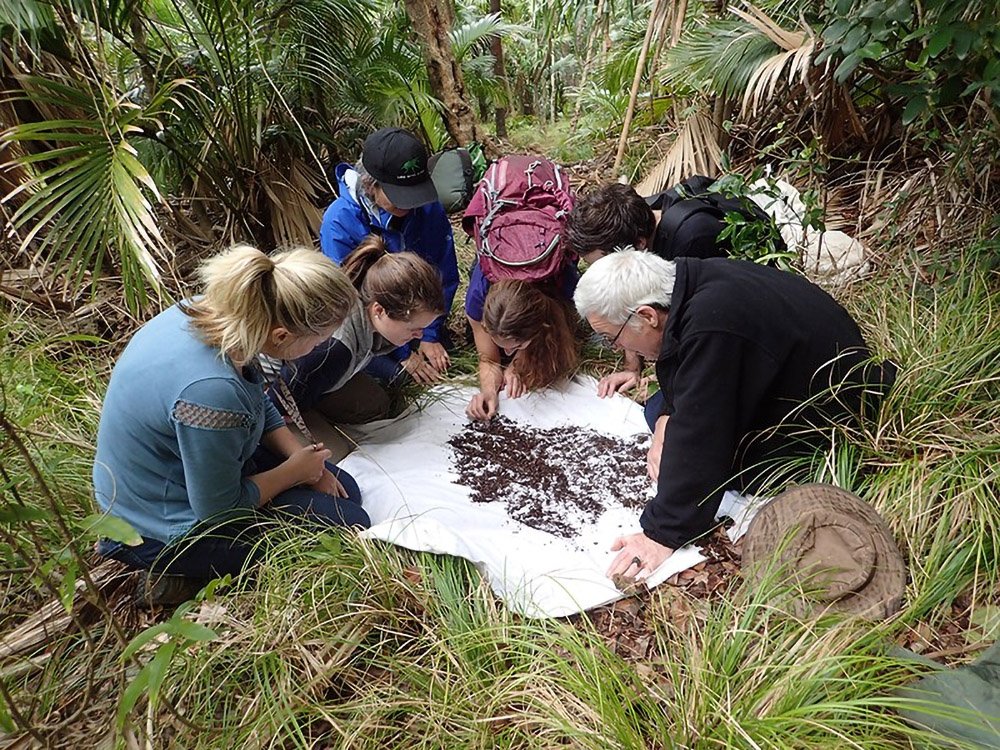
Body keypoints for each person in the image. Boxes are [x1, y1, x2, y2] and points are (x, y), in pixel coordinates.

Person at [573, 249, 894, 583]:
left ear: (647, 315)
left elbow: (703, 436)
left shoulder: (713, 329)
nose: (615, 347)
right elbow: (684, 380)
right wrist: (668, 418)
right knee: (657, 410)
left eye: (613, 337)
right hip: (797, 376)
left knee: (722, 466)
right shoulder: (690, 280)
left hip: (828, 421)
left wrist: (661, 533)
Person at [93, 245, 371, 585]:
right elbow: (218, 510)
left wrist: (298, 456)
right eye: (318, 341)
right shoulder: (210, 393)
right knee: (349, 521)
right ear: (282, 336)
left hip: (191, 468)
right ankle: (172, 577)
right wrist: (294, 473)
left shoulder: (231, 315)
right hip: (156, 527)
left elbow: (256, 401)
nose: (318, 350)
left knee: (344, 489)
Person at [278, 235, 445, 454]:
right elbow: (285, 395)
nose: (418, 335)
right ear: (379, 310)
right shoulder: (336, 348)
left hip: (320, 376)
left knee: (375, 405)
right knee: (336, 455)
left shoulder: (370, 312)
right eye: (412, 328)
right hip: (280, 392)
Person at [319, 127, 458, 385]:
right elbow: (349, 301)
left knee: (447, 363)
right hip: (372, 330)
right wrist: (403, 352)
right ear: (371, 184)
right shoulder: (340, 221)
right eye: (399, 197)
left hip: (419, 318)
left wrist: (429, 335)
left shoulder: (428, 208)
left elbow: (445, 273)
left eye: (414, 195)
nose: (408, 205)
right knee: (401, 380)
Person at [465, 279, 578, 421]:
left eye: (517, 346)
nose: (507, 353)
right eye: (500, 344)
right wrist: (489, 391)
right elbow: (489, 359)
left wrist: (520, 361)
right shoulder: (476, 303)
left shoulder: (565, 286)